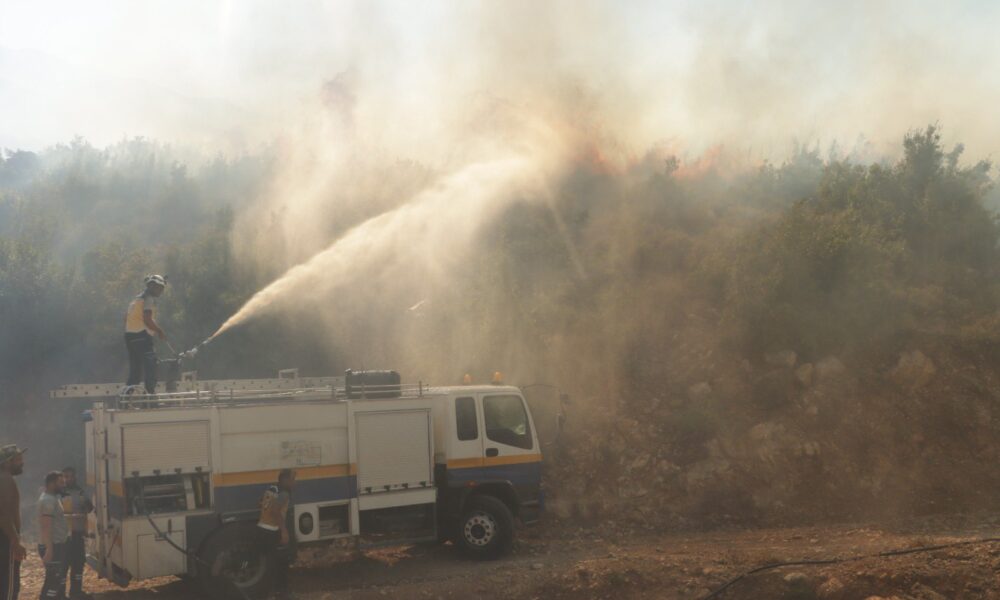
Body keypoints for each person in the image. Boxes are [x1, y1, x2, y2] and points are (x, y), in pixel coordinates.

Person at [123, 274, 167, 395]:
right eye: (159, 287)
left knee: (135, 371)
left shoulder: (135, 300)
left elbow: (125, 319)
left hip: (129, 337)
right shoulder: (149, 298)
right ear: (151, 286)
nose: (161, 290)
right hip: (142, 335)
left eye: (162, 288)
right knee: (150, 366)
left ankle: (126, 398)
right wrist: (159, 331)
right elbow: (147, 319)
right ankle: (150, 397)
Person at [256, 469, 296, 599]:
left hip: (262, 528)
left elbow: (259, 503)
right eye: (292, 479)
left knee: (270, 563)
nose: (294, 483)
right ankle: (282, 592)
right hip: (272, 530)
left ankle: (269, 593)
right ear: (284, 479)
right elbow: (275, 511)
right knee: (282, 562)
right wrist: (284, 531)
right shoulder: (284, 494)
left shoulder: (271, 489)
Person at [59, 469, 92, 600]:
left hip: (78, 534)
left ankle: (76, 592)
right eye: (66, 476)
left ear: (75, 477)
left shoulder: (81, 492)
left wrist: (87, 506)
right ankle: (61, 594)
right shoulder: (58, 493)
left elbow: (89, 508)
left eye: (71, 476)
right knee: (63, 565)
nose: (68, 479)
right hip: (63, 536)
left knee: (78, 563)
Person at [0, 445, 27, 600]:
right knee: (9, 587)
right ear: (7, 462)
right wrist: (15, 541)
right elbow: (3, 514)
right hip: (5, 540)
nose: (22, 463)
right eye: (18, 460)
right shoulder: (5, 479)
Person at [38, 471, 69, 600]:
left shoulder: (53, 498)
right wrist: (49, 550)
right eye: (61, 483)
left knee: (56, 579)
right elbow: (46, 526)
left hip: (57, 544)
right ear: (51, 484)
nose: (64, 485)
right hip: (52, 546)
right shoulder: (48, 501)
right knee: (53, 582)